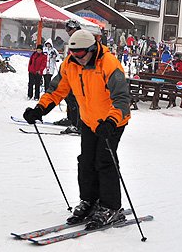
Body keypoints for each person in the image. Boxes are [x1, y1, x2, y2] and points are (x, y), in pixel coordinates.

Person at [23, 29, 131, 230]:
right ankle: (89, 201)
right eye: (74, 54)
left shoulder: (109, 64)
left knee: (104, 161)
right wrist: (40, 109)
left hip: (112, 121)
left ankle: (111, 207)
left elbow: (122, 98)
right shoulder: (70, 64)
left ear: (91, 49)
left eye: (81, 54)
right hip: (90, 121)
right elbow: (56, 90)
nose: (78, 58)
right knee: (86, 161)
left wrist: (110, 121)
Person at [54, 19, 83, 134]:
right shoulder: (75, 37)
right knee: (68, 95)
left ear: (74, 28)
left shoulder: (80, 37)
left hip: (78, 74)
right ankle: (71, 119)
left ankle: (77, 124)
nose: (67, 31)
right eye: (66, 29)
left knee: (75, 99)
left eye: (69, 29)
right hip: (71, 72)